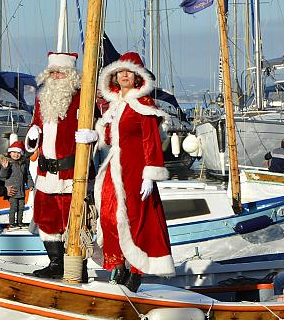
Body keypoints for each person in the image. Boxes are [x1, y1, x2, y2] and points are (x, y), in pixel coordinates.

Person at [92, 51, 175, 293]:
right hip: (114, 168)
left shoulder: (144, 105)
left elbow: (151, 141)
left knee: (137, 220)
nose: (124, 75)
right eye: (120, 72)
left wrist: (150, 174)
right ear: (114, 76)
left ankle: (136, 271)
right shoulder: (116, 104)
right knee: (108, 216)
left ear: (137, 76)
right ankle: (118, 264)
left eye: (129, 71)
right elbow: (109, 137)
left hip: (136, 172)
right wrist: (94, 136)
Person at [25, 52, 91, 279]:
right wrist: (32, 134)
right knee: (45, 217)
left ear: (71, 75)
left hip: (71, 174)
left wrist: (91, 136)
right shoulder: (43, 98)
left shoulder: (82, 97)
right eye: (52, 73)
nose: (55, 77)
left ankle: (76, 267)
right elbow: (36, 124)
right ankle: (55, 263)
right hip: (45, 173)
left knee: (73, 219)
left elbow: (97, 127)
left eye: (60, 73)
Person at [0, 141, 34, 228]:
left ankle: (19, 222)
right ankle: (12, 223)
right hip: (12, 190)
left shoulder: (23, 164)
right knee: (14, 207)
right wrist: (5, 168)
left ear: (21, 154)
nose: (16, 155)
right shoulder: (8, 163)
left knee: (21, 207)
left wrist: (30, 185)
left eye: (18, 153)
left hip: (21, 190)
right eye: (14, 152)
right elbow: (3, 175)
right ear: (10, 153)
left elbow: (27, 175)